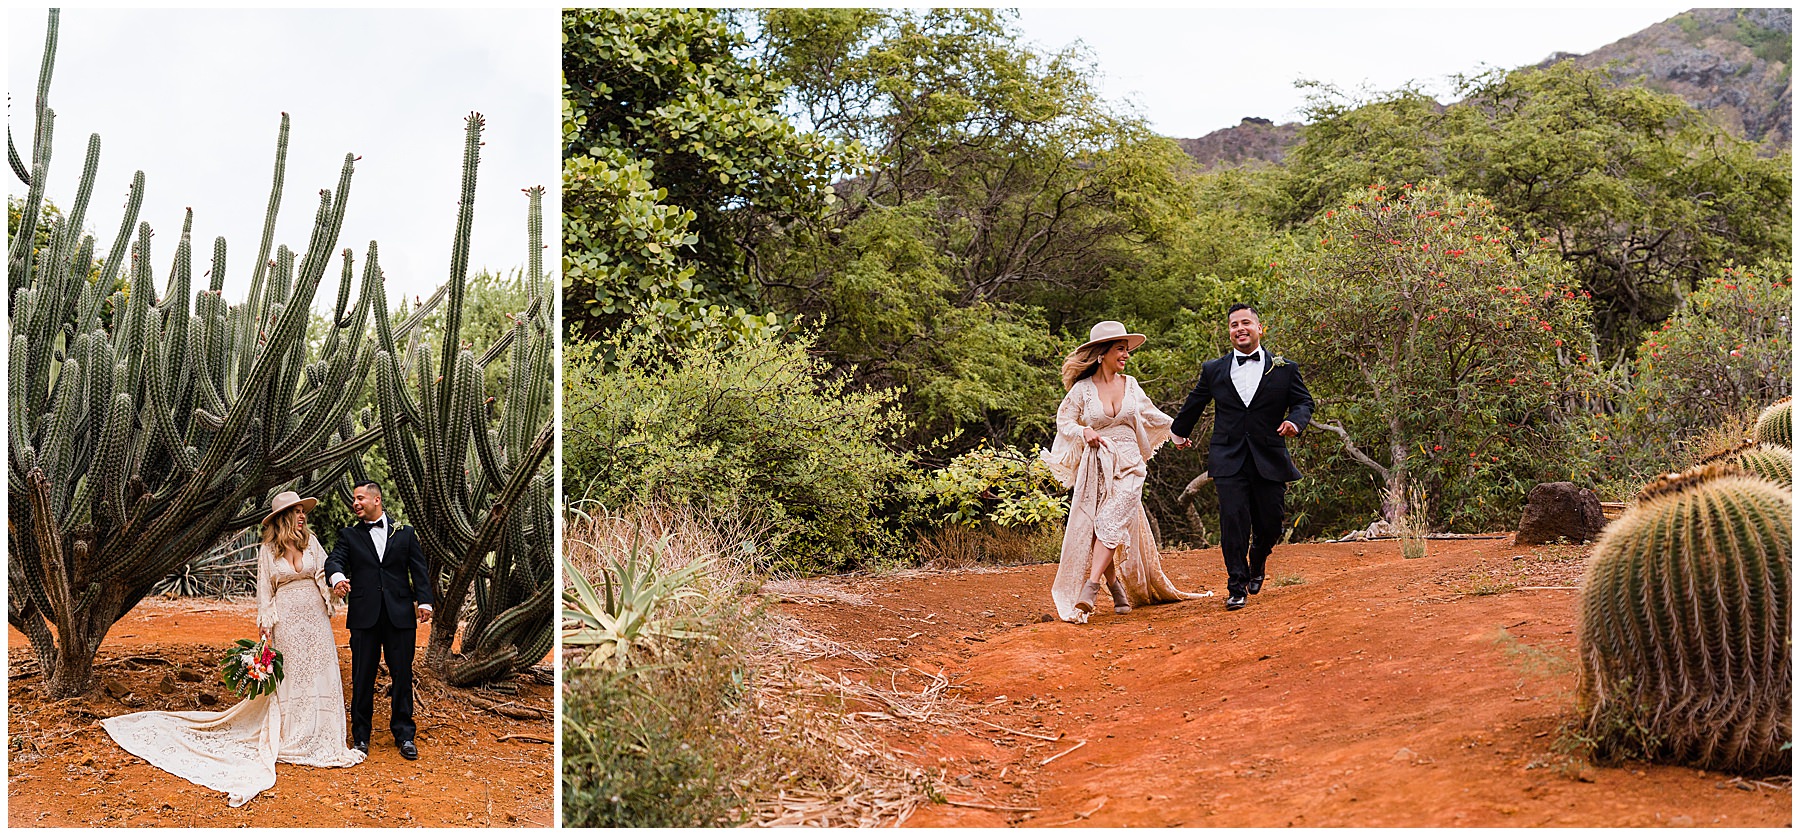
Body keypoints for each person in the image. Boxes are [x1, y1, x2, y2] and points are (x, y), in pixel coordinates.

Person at [100, 491, 364, 807]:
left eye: (302, 511)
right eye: (295, 512)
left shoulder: (313, 543)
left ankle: (324, 736)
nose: (301, 516)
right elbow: (265, 593)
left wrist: (336, 586)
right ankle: (293, 735)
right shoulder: (268, 550)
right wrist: (265, 632)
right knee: (292, 679)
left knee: (319, 674)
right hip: (287, 622)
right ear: (283, 518)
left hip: (315, 620)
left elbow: (323, 573)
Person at [1043, 320, 1209, 624]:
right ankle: (1114, 585)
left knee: (1111, 519)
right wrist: (1084, 432)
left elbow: (1151, 415)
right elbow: (1063, 422)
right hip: (1097, 462)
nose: (1126, 355)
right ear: (1102, 353)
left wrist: (1178, 432)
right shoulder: (1081, 390)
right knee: (1098, 525)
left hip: (1131, 463)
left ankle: (1090, 589)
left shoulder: (1131, 385)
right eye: (1121, 349)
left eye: (1126, 350)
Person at [1169, 303, 1314, 612]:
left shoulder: (1285, 367)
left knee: (1271, 523)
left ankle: (1258, 558)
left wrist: (1295, 422)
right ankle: (1236, 586)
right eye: (1234, 325)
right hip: (1228, 457)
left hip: (1269, 455)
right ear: (1230, 333)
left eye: (1246, 323)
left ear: (1260, 328)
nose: (1240, 329)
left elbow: (1303, 401)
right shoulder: (1214, 369)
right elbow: (1195, 402)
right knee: (1233, 520)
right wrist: (1178, 432)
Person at [324, 480, 433, 760]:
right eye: (353, 500)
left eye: (360, 498)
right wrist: (337, 578)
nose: (355, 504)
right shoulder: (349, 535)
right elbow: (335, 560)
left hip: (400, 616)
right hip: (364, 616)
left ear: (377, 500)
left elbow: (418, 569)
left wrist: (425, 602)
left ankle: (405, 735)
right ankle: (361, 737)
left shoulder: (405, 533)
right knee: (362, 677)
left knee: (402, 676)